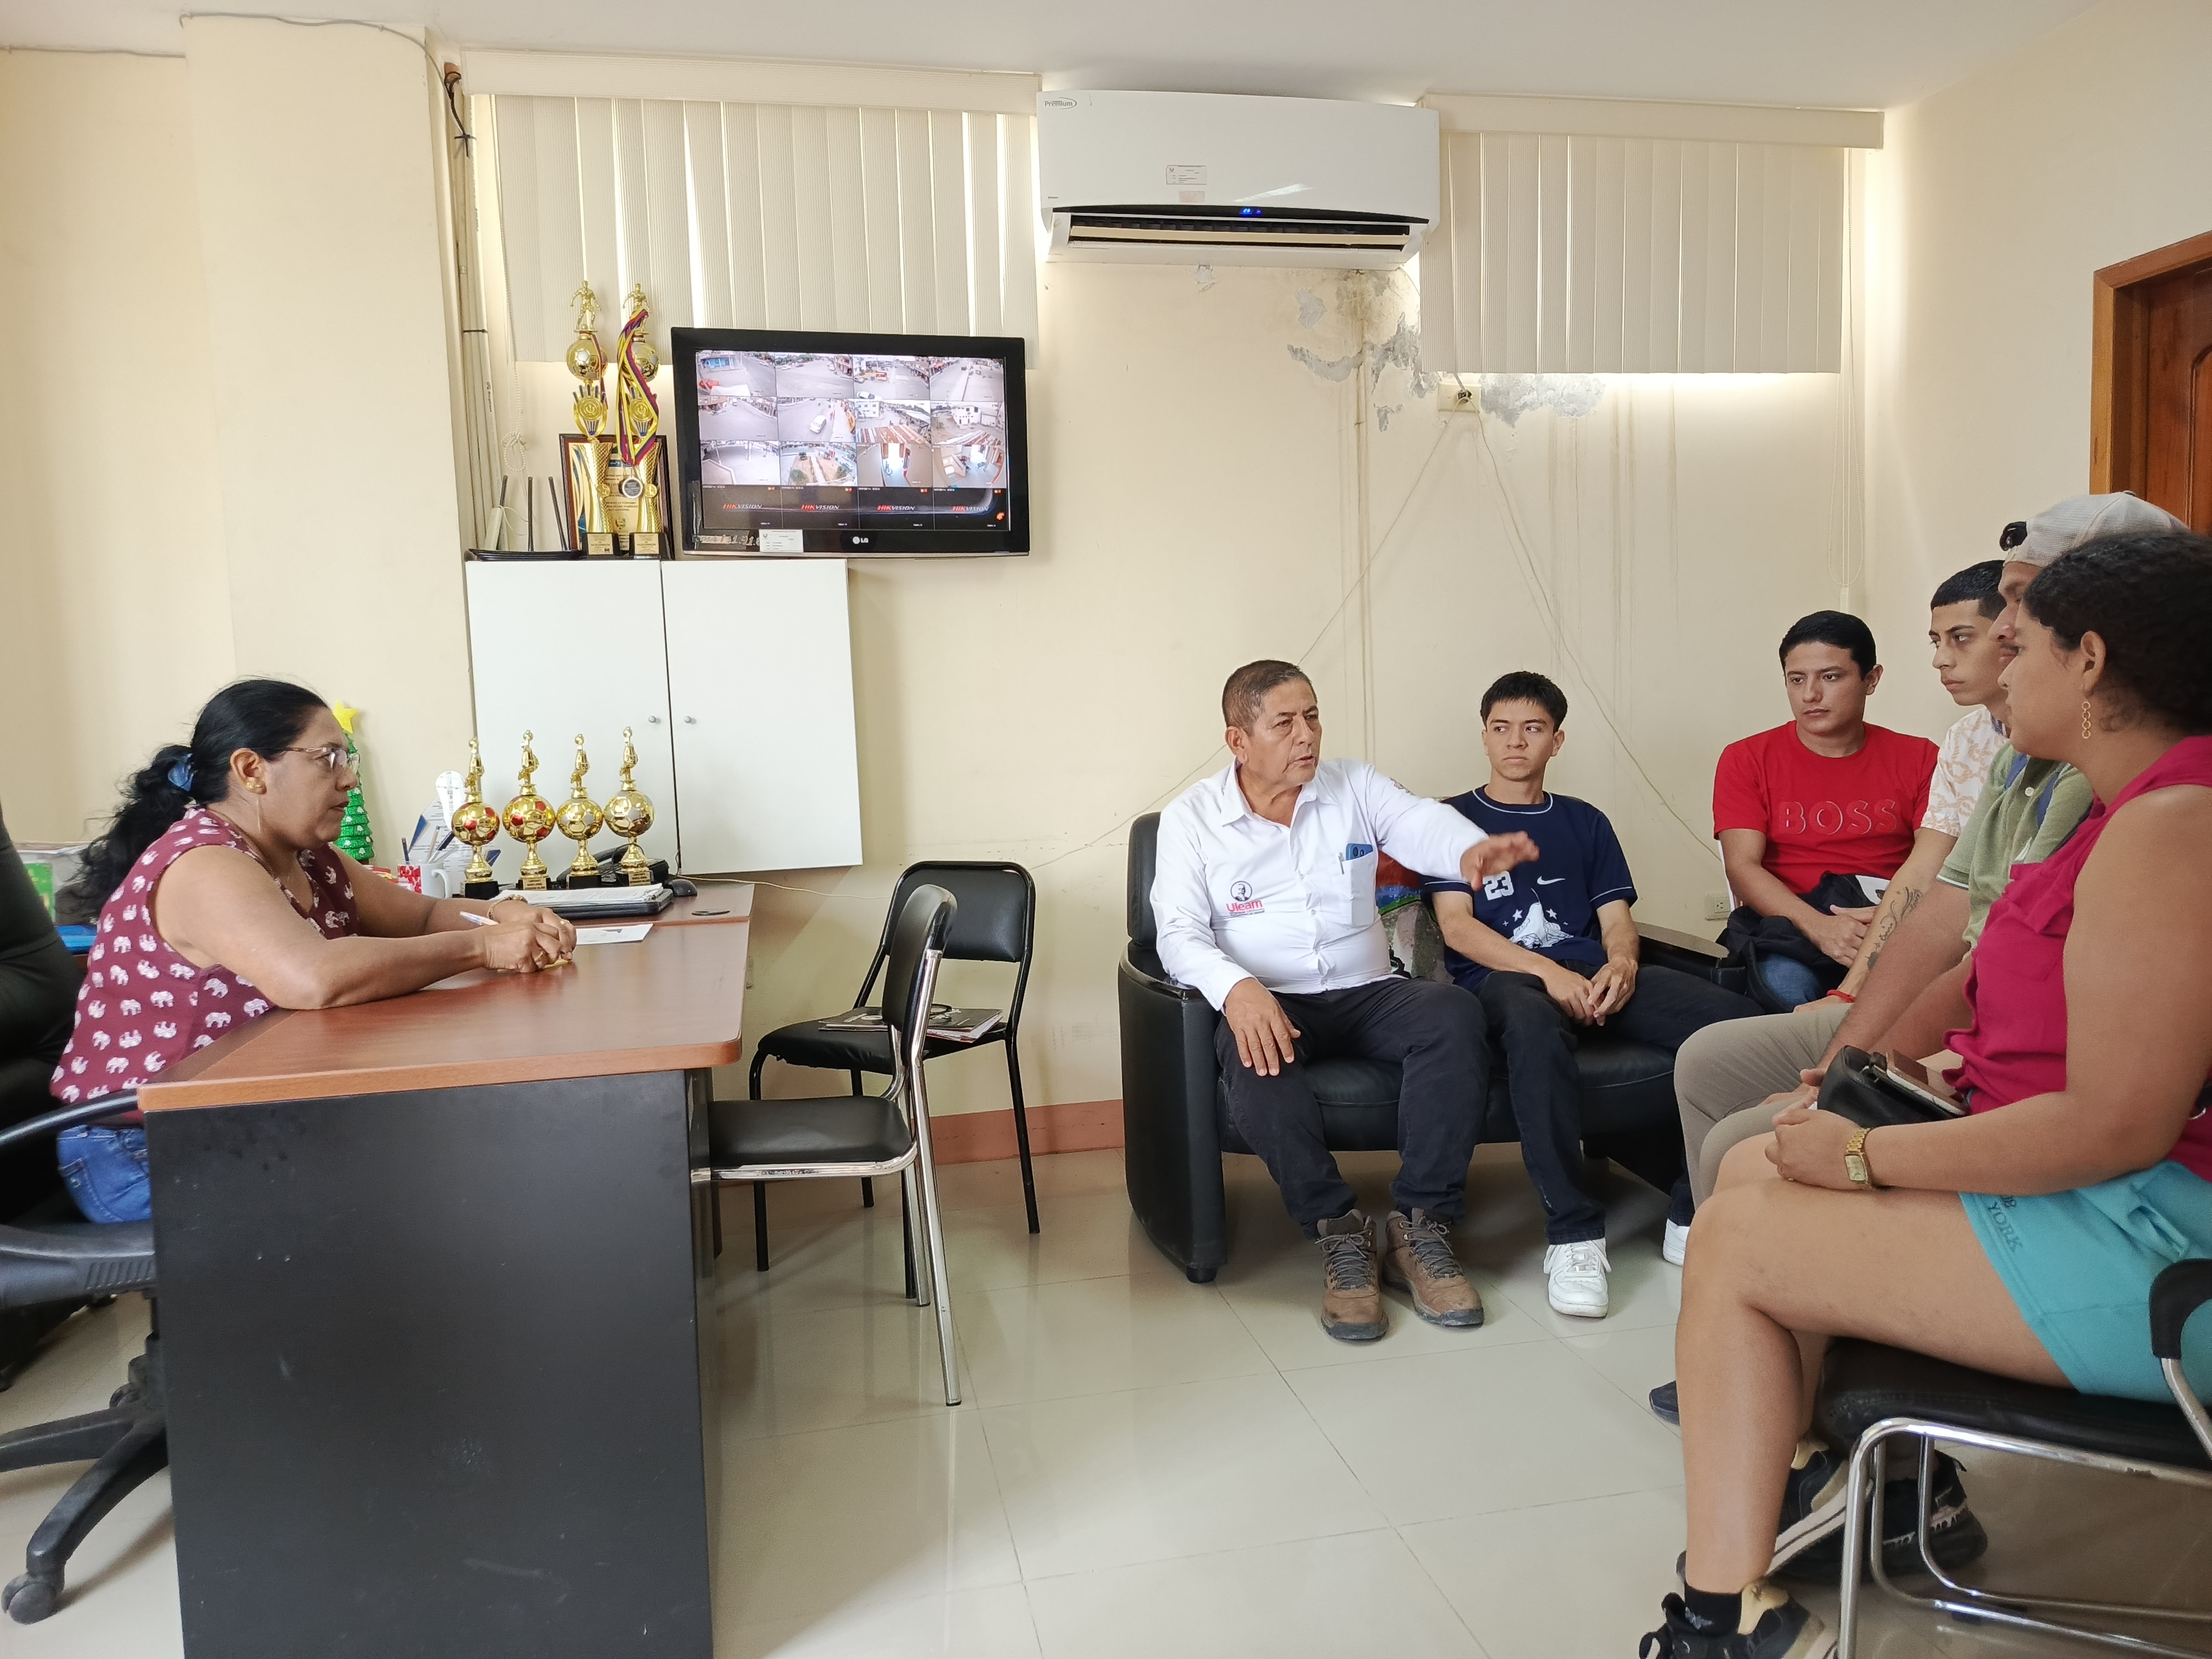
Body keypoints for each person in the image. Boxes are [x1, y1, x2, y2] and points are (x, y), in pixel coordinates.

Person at [1640, 528, 2212, 1659]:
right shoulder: (2114, 809)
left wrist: (1864, 1155)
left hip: (2160, 1250)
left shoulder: (2170, 824)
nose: (1999, 662)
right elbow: (1985, 977)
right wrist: (1880, 1076)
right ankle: (1810, 1494)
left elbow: (2116, 1124)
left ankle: (1723, 1619)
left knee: (1742, 1239)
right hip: (2110, 1198)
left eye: (2020, 642)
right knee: (1753, 1168)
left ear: (2089, 661)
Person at [49, 680, 575, 1224]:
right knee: (419, 1195)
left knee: (453, 1157)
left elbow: (419, 916)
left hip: (230, 1123)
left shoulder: (308, 858)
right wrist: (482, 945)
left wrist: (502, 913)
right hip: (141, 1146)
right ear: (251, 770)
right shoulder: (204, 863)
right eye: (328, 758)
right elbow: (313, 978)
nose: (348, 778)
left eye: (346, 759)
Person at [1152, 660, 1537, 1341]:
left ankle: (1420, 1226)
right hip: (1273, 998)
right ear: (1238, 741)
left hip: (1368, 992)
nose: (1306, 735)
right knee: (1253, 1054)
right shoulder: (1192, 818)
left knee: (1452, 1015)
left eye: (1312, 716)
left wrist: (1469, 850)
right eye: (1284, 723)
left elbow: (1419, 823)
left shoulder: (1352, 784)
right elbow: (1177, 931)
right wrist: (1236, 988)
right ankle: (1338, 1230)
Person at [1423, 672, 1759, 1317]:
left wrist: (1623, 966)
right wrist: (1546, 974)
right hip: (1503, 980)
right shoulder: (1449, 821)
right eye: (1500, 728)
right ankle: (1573, 1235)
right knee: (1530, 1028)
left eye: (1532, 729)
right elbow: (1458, 928)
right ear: (1483, 736)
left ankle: (1691, 1206)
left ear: (1556, 741)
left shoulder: (1584, 822)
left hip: (1592, 973)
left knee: (1738, 1032)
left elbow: (1615, 922)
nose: (1514, 742)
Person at [1713, 613, 1938, 1011]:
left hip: (1893, 922)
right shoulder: (1747, 758)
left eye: (1830, 677)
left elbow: (1933, 864)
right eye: (1796, 679)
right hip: (1791, 929)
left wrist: (1883, 925)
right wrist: (1819, 928)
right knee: (1787, 998)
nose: (1810, 695)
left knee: (1927, 1006)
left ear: (1871, 679)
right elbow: (1742, 867)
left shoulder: (1921, 757)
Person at [1820, 560, 2010, 1006]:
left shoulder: (2068, 738)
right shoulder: (1964, 739)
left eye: (1961, 638)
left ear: (2013, 634)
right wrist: (1847, 995)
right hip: (1960, 948)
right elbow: (1924, 870)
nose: (1941, 659)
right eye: (1936, 641)